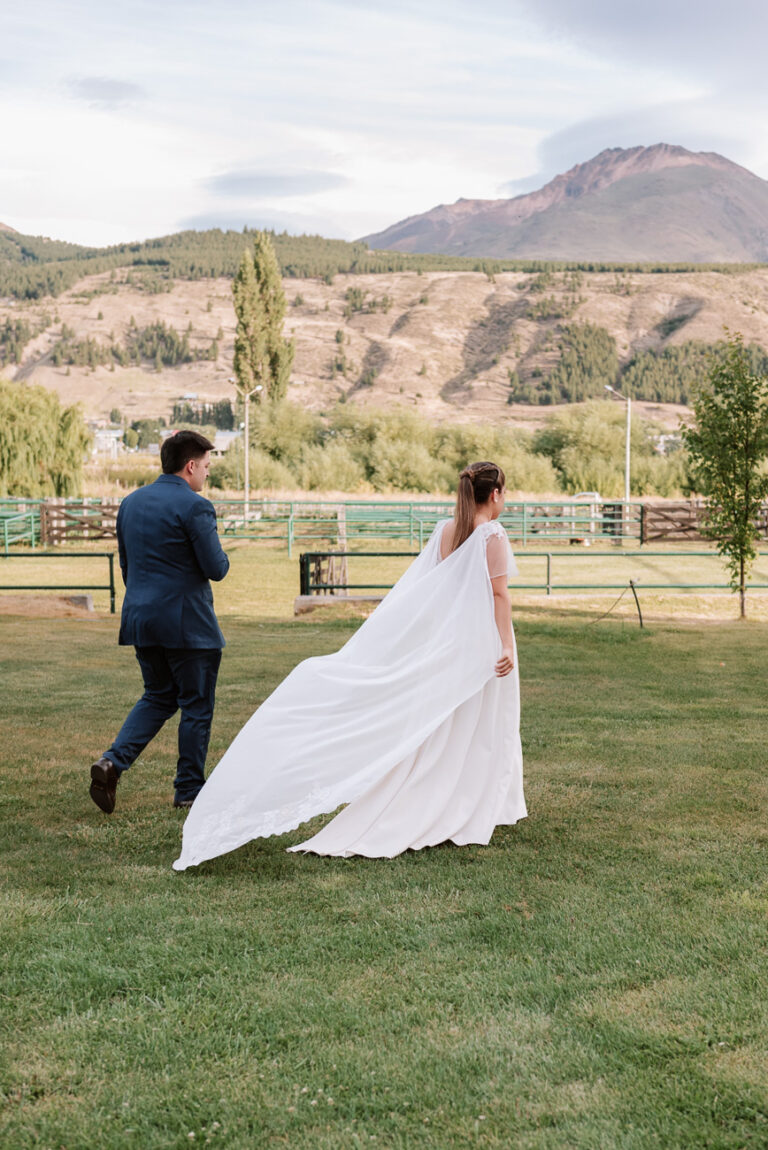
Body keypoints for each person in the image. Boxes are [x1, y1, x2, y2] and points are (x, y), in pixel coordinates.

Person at [173, 460, 525, 870]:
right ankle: (464, 800)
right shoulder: (492, 535)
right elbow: (499, 596)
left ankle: (449, 796)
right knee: (476, 723)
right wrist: (505, 646)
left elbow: (426, 591)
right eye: (505, 491)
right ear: (495, 494)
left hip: (447, 640)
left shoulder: (446, 531)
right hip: (479, 639)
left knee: (445, 723)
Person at [89, 430, 230, 815]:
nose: (206, 473)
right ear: (190, 466)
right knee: (196, 706)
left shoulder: (130, 503)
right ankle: (188, 791)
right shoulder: (195, 507)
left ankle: (112, 763)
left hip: (141, 618)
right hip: (188, 626)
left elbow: (127, 566)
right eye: (205, 466)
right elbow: (216, 568)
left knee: (158, 696)